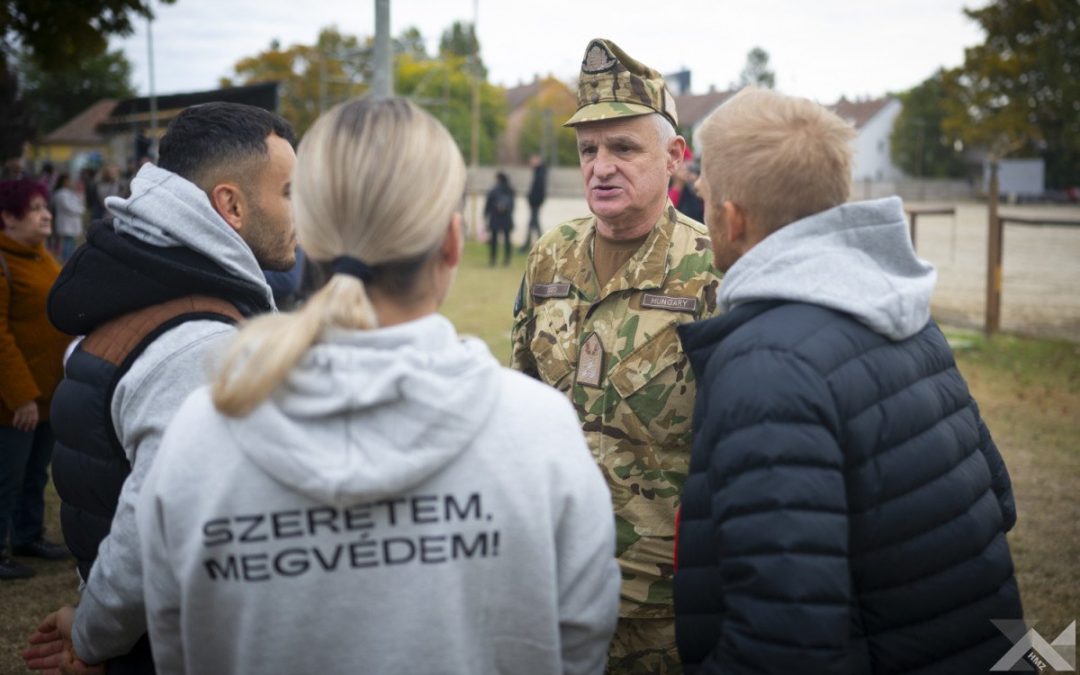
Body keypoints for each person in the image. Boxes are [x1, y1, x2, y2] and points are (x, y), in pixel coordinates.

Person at [131, 96, 619, 674]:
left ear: (309, 229)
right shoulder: (538, 432)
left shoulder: (202, 432)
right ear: (451, 241)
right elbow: (581, 644)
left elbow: (178, 645)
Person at [674, 87, 1023, 673]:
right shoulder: (897, 311)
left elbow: (782, 641)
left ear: (733, 219)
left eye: (704, 197)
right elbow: (996, 501)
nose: (701, 211)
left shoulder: (767, 369)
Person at [23, 102, 296, 674]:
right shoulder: (200, 342)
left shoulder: (148, 278)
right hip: (166, 646)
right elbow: (149, 531)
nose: (301, 210)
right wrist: (94, 635)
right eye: (288, 191)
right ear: (231, 204)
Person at [511, 38, 721, 674]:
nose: (601, 166)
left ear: (673, 159)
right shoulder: (551, 256)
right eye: (589, 150)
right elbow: (518, 401)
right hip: (552, 583)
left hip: (662, 604)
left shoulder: (710, 269)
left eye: (624, 148)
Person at [0, 178, 72, 580]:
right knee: (6, 475)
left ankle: (27, 535)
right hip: (15, 401)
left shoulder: (42, 256)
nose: (46, 215)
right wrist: (20, 396)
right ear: (8, 218)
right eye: (34, 209)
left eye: (46, 207)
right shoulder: (5, 260)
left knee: (34, 472)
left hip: (48, 393)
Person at [52, 173, 86, 262]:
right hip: (67, 222)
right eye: (69, 181)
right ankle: (67, 260)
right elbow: (68, 207)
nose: (71, 182)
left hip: (70, 222)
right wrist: (80, 210)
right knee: (68, 242)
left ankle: (69, 259)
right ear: (64, 182)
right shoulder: (61, 194)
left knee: (71, 242)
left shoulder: (68, 192)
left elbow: (78, 203)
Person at [484, 171, 515, 266]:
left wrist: (485, 215)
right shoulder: (510, 190)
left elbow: (488, 204)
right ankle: (507, 259)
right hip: (506, 218)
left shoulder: (494, 190)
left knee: (494, 240)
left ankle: (493, 259)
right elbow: (513, 205)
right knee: (507, 239)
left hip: (495, 218)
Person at [520, 153, 547, 252]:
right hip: (534, 201)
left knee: (533, 223)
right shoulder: (538, 171)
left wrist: (533, 199)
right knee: (533, 223)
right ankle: (537, 244)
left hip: (535, 202)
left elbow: (539, 189)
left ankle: (540, 244)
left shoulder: (540, 172)